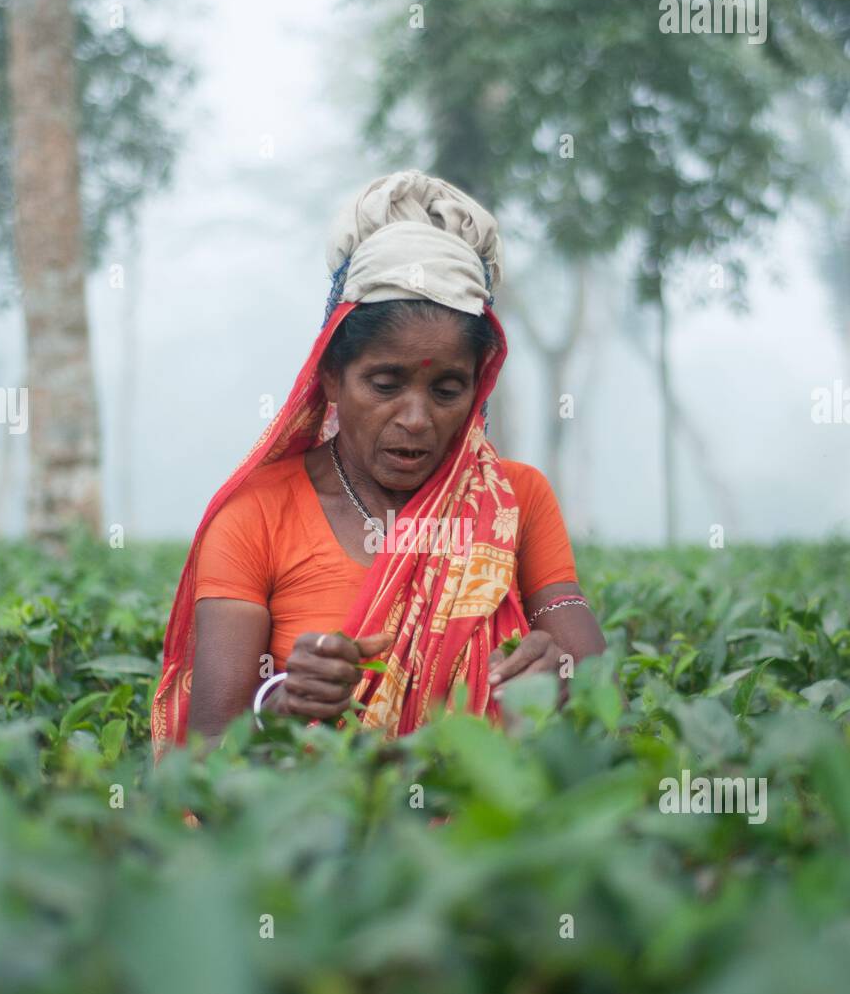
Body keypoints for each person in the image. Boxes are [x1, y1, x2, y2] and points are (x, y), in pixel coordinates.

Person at [151, 169, 606, 765]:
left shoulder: (516, 499)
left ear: (479, 388)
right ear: (333, 376)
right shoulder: (255, 515)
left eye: (448, 389)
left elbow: (598, 693)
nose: (416, 419)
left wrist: (557, 671)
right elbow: (207, 752)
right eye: (386, 384)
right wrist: (283, 702)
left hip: (490, 838)